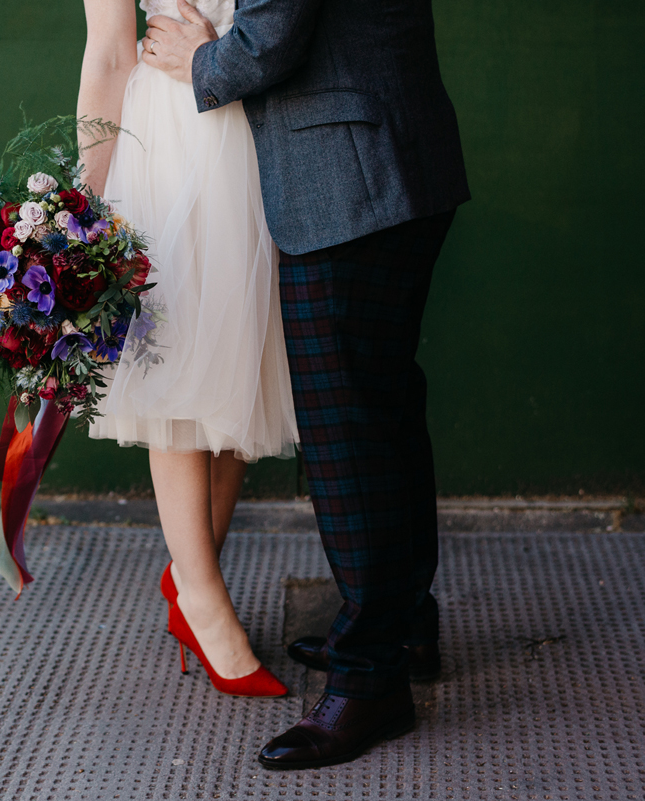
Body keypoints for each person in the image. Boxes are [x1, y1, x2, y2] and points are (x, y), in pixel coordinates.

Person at [81, 0, 470, 769]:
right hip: (360, 152)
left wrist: (202, 60)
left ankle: (371, 678)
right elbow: (112, 51)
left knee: (351, 431)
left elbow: (272, 35)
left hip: (342, 166)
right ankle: (399, 626)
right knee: (381, 408)